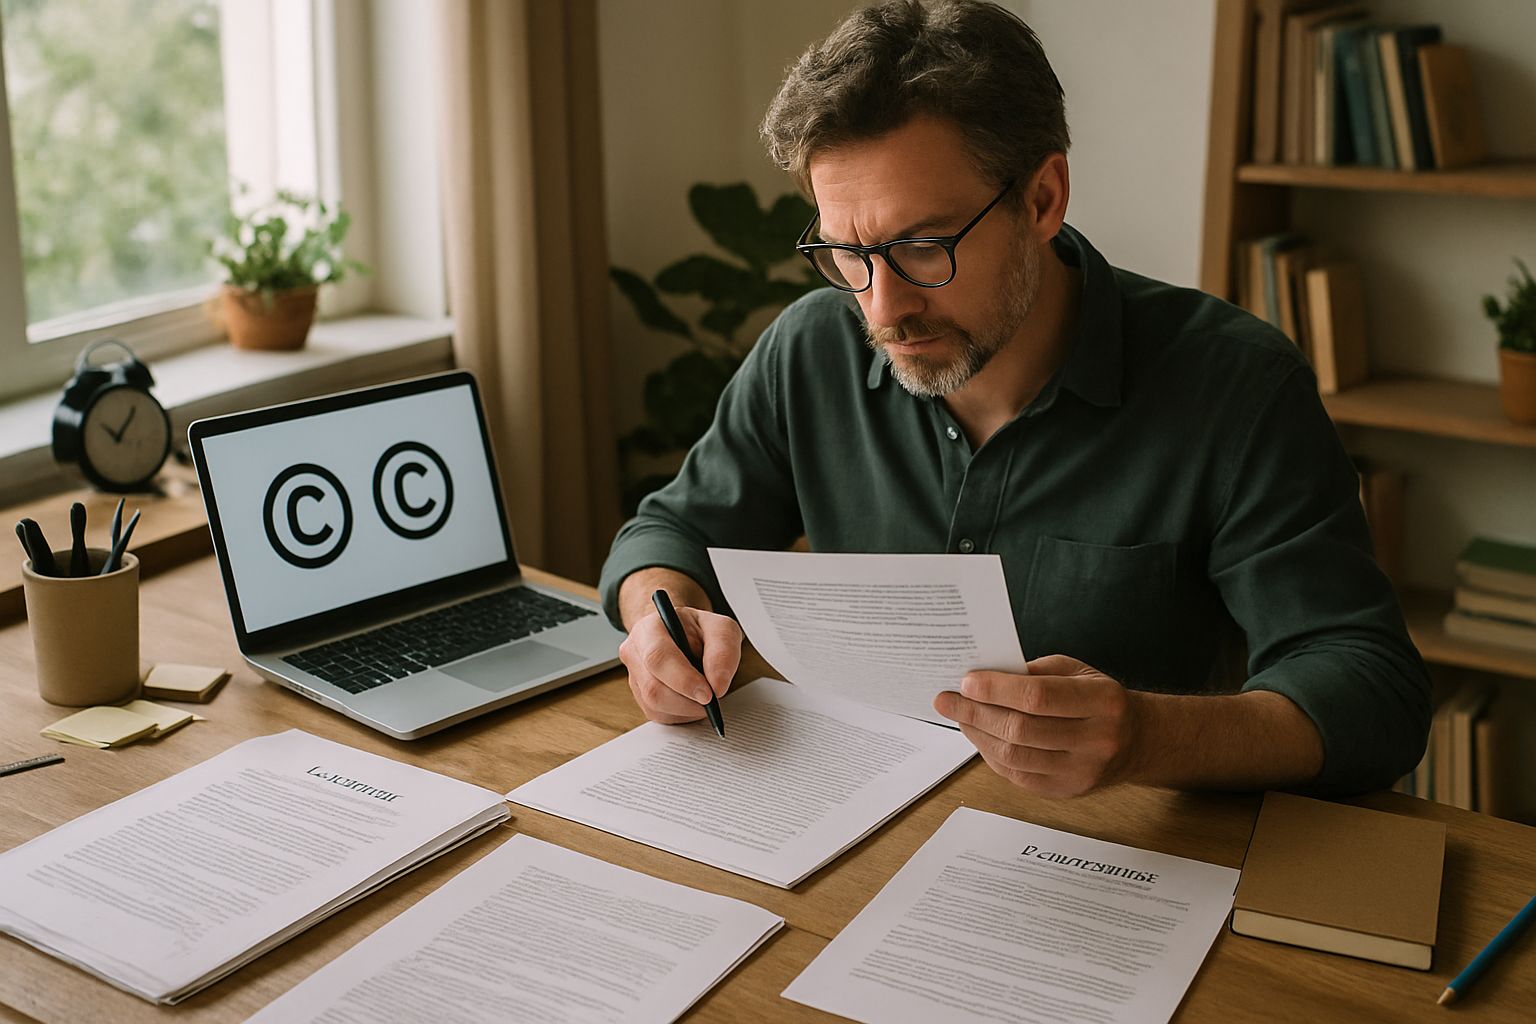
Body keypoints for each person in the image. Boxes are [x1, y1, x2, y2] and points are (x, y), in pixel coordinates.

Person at [599, 0, 1430, 798]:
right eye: (847, 253)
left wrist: (1143, 737)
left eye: (923, 247)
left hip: (1136, 860)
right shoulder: (809, 351)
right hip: (864, 826)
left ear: (1043, 199)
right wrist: (659, 620)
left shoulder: (1238, 387)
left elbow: (1372, 690)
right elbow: (672, 533)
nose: (882, 309)